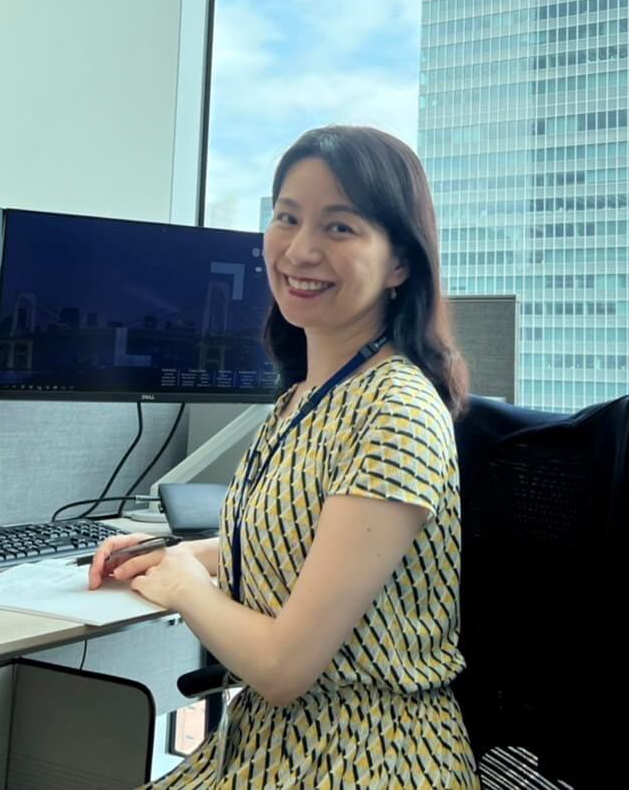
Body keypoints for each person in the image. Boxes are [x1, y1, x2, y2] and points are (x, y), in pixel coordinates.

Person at [89, 124, 478, 788]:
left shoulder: (397, 411)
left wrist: (183, 585)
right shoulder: (304, 398)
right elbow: (300, 540)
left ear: (400, 262)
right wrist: (177, 554)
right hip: (272, 747)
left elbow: (282, 668)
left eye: (340, 228)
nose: (299, 249)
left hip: (365, 757)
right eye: (286, 218)